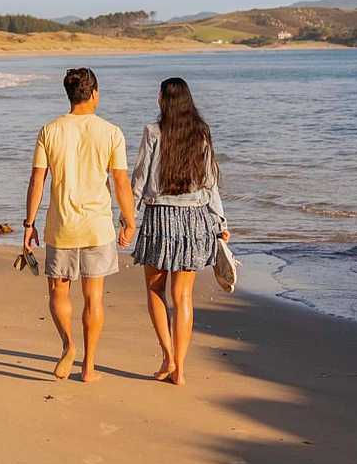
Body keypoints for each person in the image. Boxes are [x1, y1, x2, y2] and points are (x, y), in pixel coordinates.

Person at [23, 67, 137, 382]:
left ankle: (68, 345)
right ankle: (89, 367)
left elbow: (37, 181)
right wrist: (129, 220)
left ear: (70, 94)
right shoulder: (111, 132)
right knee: (94, 297)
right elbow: (120, 182)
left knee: (59, 291)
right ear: (94, 93)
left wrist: (28, 224)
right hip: (97, 227)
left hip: (61, 226)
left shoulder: (49, 130)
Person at [129, 77, 229, 386]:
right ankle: (180, 369)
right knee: (183, 295)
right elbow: (211, 182)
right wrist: (220, 222)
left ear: (162, 99)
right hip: (195, 219)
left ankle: (168, 357)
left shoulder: (153, 132)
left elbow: (141, 177)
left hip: (160, 218)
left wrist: (128, 217)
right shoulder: (201, 133)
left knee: (155, 290)